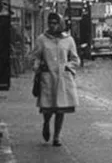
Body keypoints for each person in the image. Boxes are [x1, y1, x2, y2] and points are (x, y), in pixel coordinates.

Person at [27, 13, 79, 147]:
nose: (52, 25)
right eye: (50, 23)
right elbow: (34, 57)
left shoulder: (68, 40)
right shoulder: (42, 39)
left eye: (55, 23)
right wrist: (39, 66)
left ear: (60, 24)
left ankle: (57, 136)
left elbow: (75, 59)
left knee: (61, 109)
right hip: (47, 78)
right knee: (48, 108)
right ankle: (46, 123)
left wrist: (68, 67)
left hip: (62, 79)